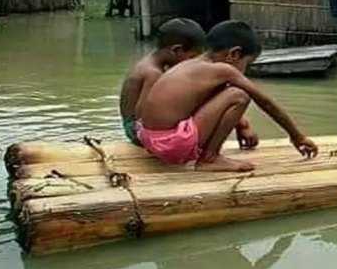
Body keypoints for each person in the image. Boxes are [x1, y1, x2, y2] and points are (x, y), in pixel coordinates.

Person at [136, 20, 319, 172]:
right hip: (171, 146)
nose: (245, 69)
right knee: (239, 95)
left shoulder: (190, 65)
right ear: (234, 54)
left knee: (227, 93)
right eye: (247, 63)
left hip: (149, 140)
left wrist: (242, 126)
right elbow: (265, 102)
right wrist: (297, 136)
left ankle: (206, 154)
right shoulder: (222, 70)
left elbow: (208, 101)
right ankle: (210, 158)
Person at [119, 17, 206, 146]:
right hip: (137, 131)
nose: (193, 63)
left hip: (133, 126)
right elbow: (142, 116)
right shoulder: (153, 73)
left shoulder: (150, 62)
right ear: (176, 50)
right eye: (192, 57)